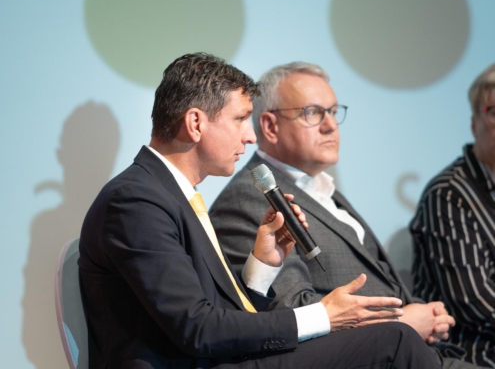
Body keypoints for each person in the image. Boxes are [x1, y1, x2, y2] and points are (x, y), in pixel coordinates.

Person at [78, 53, 440, 369]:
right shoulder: (136, 201)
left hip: (218, 359)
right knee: (395, 341)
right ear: (196, 123)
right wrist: (323, 315)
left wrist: (262, 264)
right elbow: (198, 328)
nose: (250, 137)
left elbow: (217, 316)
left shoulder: (168, 194)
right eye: (240, 119)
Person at [209, 61, 477, 369]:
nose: (330, 126)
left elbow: (381, 282)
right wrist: (403, 321)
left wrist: (426, 314)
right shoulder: (251, 198)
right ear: (270, 126)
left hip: (424, 352)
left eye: (334, 112)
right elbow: (290, 311)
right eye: (313, 112)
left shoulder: (321, 187)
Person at [409, 63, 495, 368]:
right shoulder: (449, 194)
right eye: (494, 111)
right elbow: (475, 303)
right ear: (474, 124)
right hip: (473, 352)